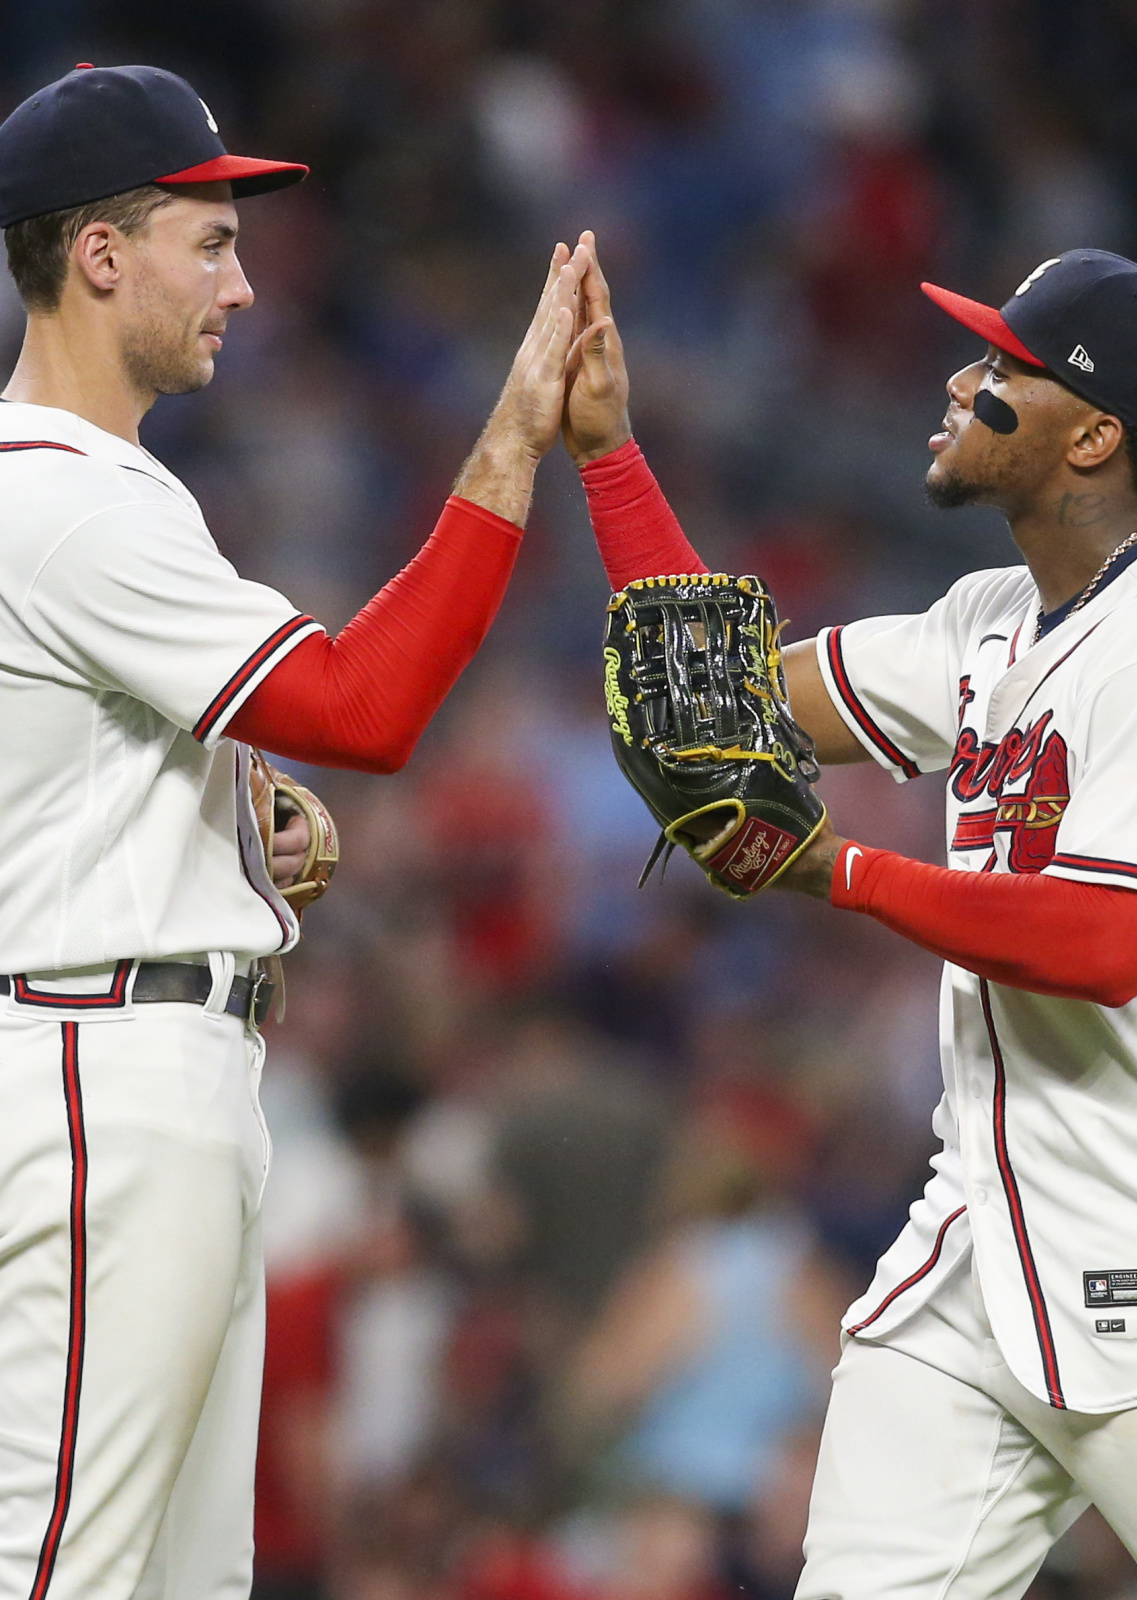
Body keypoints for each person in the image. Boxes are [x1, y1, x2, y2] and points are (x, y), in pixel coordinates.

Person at [559, 233, 1137, 1600]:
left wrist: (839, 872)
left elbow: (1108, 946)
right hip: (983, 1255)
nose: (963, 379)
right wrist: (609, 451)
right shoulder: (991, 620)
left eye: (1007, 365)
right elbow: (721, 700)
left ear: (1091, 438)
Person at [0, 63, 586, 1597]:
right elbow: (365, 707)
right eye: (210, 241)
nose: (245, 285)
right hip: (90, 1076)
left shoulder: (76, 494)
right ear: (100, 254)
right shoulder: (63, 495)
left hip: (138, 1062)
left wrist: (228, 833)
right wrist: (516, 437)